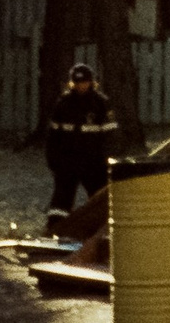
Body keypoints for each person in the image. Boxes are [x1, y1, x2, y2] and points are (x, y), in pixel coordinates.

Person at [44, 64, 120, 230]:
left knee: (99, 199)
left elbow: (111, 137)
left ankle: (101, 231)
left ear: (91, 82)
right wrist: (53, 160)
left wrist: (106, 161)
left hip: (93, 163)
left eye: (84, 82)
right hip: (68, 161)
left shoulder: (101, 104)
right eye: (77, 82)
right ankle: (55, 230)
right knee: (61, 201)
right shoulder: (63, 104)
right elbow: (53, 136)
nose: (81, 86)